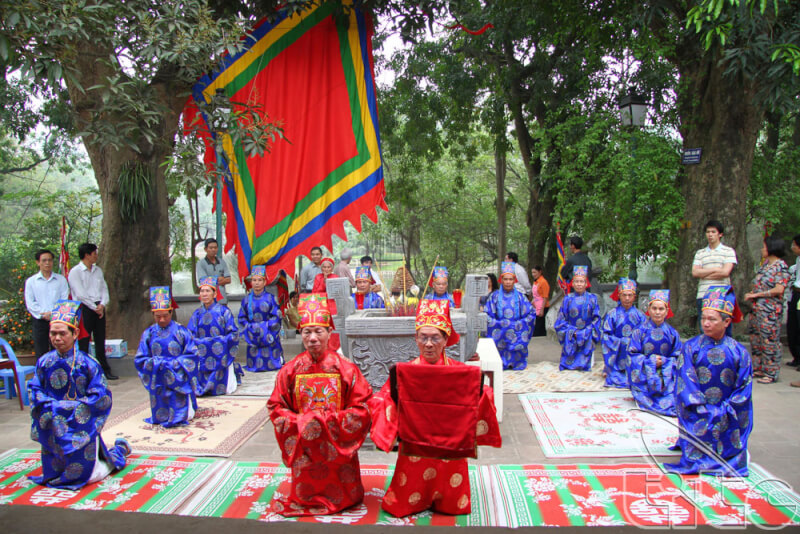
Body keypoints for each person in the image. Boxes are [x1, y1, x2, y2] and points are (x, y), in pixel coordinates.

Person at [368, 299, 501, 517]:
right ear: (416, 338)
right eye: (424, 337)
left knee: (449, 473)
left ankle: (448, 500)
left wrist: (480, 393)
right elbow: (383, 398)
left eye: (435, 337)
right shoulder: (405, 372)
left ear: (446, 339)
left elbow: (484, 394)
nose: (429, 344)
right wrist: (384, 404)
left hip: (449, 447)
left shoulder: (461, 373)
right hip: (414, 447)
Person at [267, 294, 372, 516]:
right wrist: (301, 423)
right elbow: (276, 407)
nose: (313, 338)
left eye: (319, 331)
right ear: (300, 334)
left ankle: (344, 497)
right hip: (304, 443)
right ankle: (307, 497)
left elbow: (362, 407)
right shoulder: (290, 371)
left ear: (330, 333)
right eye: (307, 332)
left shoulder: (346, 369)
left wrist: (329, 422)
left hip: (337, 446)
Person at [28, 300, 131, 489]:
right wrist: (49, 406)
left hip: (79, 426)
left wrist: (69, 408)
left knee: (89, 476)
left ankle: (118, 450)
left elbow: (101, 397)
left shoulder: (88, 363)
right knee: (54, 472)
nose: (57, 338)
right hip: (53, 423)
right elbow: (35, 389)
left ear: (75, 334)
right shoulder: (44, 362)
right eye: (53, 333)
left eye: (62, 333)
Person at [664, 286, 753, 477]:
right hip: (698, 408)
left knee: (736, 418)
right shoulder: (691, 348)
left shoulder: (739, 353)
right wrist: (702, 407)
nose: (706, 323)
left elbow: (744, 389)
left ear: (727, 321)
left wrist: (725, 409)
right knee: (690, 409)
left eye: (712, 319)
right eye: (703, 318)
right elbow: (685, 383)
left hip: (729, 410)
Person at [134, 286, 199, 428]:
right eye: (158, 316)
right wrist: (156, 364)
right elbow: (140, 359)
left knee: (182, 410)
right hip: (158, 378)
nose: (162, 319)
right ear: (153, 315)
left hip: (178, 377)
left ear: (171, 312)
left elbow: (192, 355)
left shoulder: (182, 332)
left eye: (165, 315)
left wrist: (174, 364)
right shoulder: (149, 333)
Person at [628, 290, 682, 416]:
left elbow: (679, 357)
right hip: (644, 376)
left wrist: (664, 362)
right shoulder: (639, 331)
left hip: (666, 377)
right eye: (654, 308)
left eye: (661, 309)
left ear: (667, 311)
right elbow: (632, 356)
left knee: (671, 401)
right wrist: (650, 362)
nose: (657, 312)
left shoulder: (673, 333)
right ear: (649, 310)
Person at [744, 236, 790, 384]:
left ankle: (771, 372)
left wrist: (757, 294)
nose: (762, 249)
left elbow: (778, 289)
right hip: (756, 309)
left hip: (769, 310)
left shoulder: (780, 266)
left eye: (764, 247)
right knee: (756, 339)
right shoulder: (765, 266)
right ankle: (759, 368)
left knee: (769, 340)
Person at [68, 242, 116, 380]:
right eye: (94, 253)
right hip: (84, 308)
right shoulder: (75, 272)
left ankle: (104, 370)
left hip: (99, 307)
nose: (96, 256)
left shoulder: (98, 270)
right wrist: (94, 308)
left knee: (100, 339)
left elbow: (104, 289)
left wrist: (102, 305)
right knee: (84, 340)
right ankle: (83, 371)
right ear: (87, 255)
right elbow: (80, 293)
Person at [187, 276, 243, 395]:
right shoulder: (197, 314)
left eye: (208, 291)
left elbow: (233, 334)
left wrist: (219, 342)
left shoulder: (224, 312)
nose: (205, 294)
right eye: (202, 291)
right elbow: (189, 335)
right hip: (202, 355)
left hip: (220, 354)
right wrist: (202, 343)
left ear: (215, 294)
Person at [486, 262, 535, 370]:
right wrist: (499, 324)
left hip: (517, 332)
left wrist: (518, 324)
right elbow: (487, 316)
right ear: (501, 280)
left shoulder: (521, 298)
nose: (508, 282)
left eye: (510, 279)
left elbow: (531, 314)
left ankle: (516, 362)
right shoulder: (493, 297)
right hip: (500, 333)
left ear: (515, 281)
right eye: (505, 279)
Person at [691, 220, 737, 332]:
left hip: (722, 294)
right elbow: (695, 273)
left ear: (720, 234)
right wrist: (716, 269)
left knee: (724, 327)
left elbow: (725, 272)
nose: (710, 235)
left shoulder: (728, 251)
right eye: (708, 232)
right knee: (705, 328)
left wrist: (704, 273)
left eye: (713, 232)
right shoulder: (700, 253)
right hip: (703, 294)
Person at [600, 278, 646, 388]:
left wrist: (632, 343)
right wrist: (620, 342)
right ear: (619, 296)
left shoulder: (640, 316)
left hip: (633, 350)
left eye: (630, 295)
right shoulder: (612, 314)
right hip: (616, 351)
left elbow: (644, 336)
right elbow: (606, 336)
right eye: (624, 295)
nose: (627, 298)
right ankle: (613, 368)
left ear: (634, 297)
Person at [24, 249, 70, 358]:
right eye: (44, 260)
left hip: (58, 321)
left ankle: (60, 374)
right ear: (38, 262)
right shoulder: (31, 281)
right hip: (39, 321)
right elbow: (30, 302)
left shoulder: (61, 280)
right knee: (41, 352)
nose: (47, 263)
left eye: (50, 260)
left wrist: (53, 314)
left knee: (60, 350)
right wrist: (43, 314)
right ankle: (43, 375)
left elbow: (64, 300)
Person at [554, 265, 600, 371]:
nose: (579, 284)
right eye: (577, 281)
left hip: (587, 334)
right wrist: (572, 331)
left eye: (582, 281)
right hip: (571, 334)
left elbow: (596, 319)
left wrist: (587, 331)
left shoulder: (592, 299)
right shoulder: (567, 299)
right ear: (573, 283)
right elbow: (561, 319)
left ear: (586, 283)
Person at [239, 265, 284, 372]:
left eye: (260, 280)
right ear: (251, 283)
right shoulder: (246, 300)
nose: (257, 283)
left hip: (268, 333)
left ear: (264, 282)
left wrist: (264, 328)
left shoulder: (270, 298)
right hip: (252, 333)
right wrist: (251, 328)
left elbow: (276, 316)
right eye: (254, 280)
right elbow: (241, 318)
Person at [312, 257, 341, 351]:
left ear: (332, 268)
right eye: (324, 267)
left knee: (333, 327)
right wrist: (324, 281)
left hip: (333, 306)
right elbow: (316, 293)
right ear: (321, 268)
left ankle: (333, 348)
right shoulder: (318, 277)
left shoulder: (335, 277)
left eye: (328, 267)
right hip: (321, 305)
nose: (326, 269)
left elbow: (336, 293)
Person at [195, 238, 232, 304]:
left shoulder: (222, 262)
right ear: (205, 249)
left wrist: (211, 279)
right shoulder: (201, 263)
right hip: (207, 301)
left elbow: (228, 280)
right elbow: (204, 281)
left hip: (222, 301)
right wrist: (220, 279)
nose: (213, 250)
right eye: (211, 248)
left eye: (215, 248)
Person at [787, 235, 800, 370]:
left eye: (794, 244)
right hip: (795, 294)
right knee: (793, 326)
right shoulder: (797, 260)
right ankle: (796, 356)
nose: (792, 247)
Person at [531, 265, 550, 337]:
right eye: (532, 272)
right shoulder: (535, 282)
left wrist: (542, 309)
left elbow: (545, 297)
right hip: (536, 306)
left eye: (535, 272)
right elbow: (535, 295)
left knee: (539, 327)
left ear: (540, 272)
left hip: (543, 306)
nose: (533, 274)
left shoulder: (543, 282)